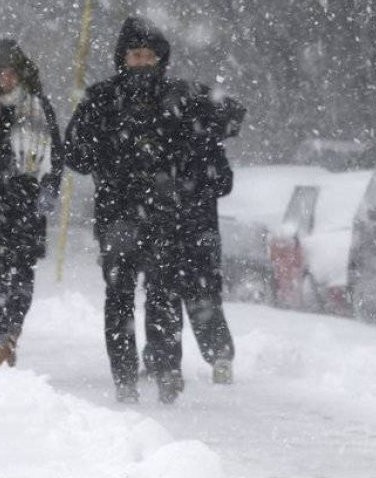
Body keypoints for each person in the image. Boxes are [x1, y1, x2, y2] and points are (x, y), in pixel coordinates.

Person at [64, 16, 218, 403]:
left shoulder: (178, 98)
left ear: (160, 59)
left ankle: (166, 369)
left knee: (163, 295)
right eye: (135, 54)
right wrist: (102, 149)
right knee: (119, 295)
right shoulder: (102, 99)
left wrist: (185, 177)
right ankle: (125, 375)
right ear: (123, 58)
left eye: (149, 55)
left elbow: (203, 150)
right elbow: (77, 155)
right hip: (117, 213)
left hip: (165, 214)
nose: (142, 61)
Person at [142, 90, 245, 386]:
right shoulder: (207, 141)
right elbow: (223, 183)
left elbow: (221, 183)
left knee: (163, 296)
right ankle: (218, 354)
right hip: (199, 229)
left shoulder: (160, 141)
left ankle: (162, 360)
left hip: (170, 229)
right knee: (202, 296)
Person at [0, 39, 63, 367]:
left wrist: (49, 190)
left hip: (25, 206)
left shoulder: (38, 107)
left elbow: (56, 154)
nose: (3, 79)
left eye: (8, 72)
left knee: (21, 275)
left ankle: (10, 333)